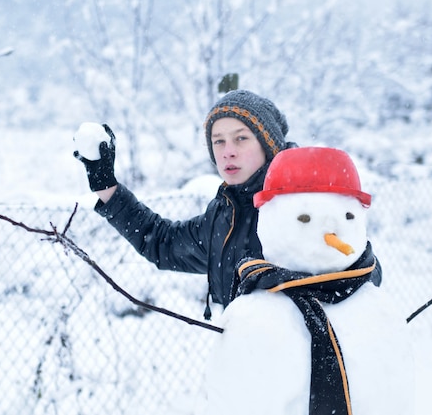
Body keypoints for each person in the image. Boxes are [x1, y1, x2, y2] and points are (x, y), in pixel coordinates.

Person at [74, 89, 297, 318]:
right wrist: (108, 189)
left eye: (241, 138)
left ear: (268, 145)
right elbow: (162, 242)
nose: (228, 152)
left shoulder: (300, 209)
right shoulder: (225, 216)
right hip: (239, 350)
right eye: (218, 141)